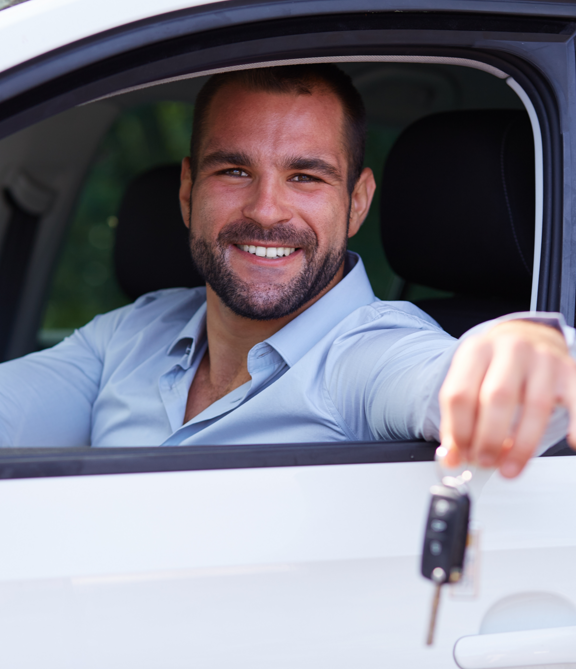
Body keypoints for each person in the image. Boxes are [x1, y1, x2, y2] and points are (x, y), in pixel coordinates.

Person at [0, 64, 574, 478]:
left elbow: (449, 378)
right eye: (233, 170)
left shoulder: (367, 354)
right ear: (187, 191)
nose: (266, 209)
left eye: (306, 176)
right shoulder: (128, 335)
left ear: (356, 202)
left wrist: (525, 346)